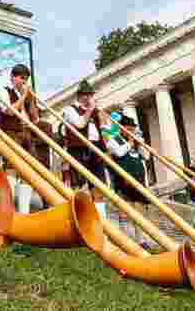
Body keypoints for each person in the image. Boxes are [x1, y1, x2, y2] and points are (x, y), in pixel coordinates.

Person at [0, 63, 39, 216]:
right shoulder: (4, 91)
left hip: (27, 133)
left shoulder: (26, 95)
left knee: (28, 172)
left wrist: (31, 99)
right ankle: (7, 209)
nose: (25, 82)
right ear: (13, 77)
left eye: (26, 79)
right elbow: (9, 111)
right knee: (11, 168)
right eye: (23, 78)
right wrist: (24, 96)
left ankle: (24, 212)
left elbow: (35, 118)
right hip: (12, 132)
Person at [62, 80, 109, 222]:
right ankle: (78, 223)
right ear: (79, 96)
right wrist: (90, 110)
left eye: (90, 95)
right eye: (86, 95)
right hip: (78, 149)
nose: (89, 98)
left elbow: (105, 130)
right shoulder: (70, 110)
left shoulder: (95, 112)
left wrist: (100, 116)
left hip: (96, 150)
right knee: (79, 188)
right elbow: (79, 124)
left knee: (98, 189)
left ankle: (102, 225)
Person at [104, 114, 153, 248]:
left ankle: (141, 239)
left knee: (139, 211)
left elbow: (147, 156)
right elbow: (119, 153)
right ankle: (125, 239)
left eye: (133, 129)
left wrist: (141, 143)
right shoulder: (114, 140)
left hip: (139, 180)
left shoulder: (137, 142)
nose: (131, 131)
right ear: (122, 128)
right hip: (123, 180)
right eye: (129, 129)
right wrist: (130, 143)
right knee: (125, 210)